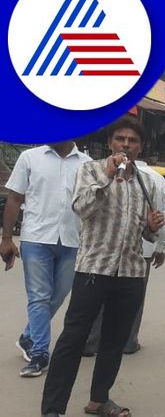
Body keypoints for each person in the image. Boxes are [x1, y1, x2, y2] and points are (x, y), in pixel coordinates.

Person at [41, 117, 165, 417]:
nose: (126, 144)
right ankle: (52, 408)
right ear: (111, 143)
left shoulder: (147, 182)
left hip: (131, 273)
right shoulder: (90, 170)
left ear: (140, 146)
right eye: (121, 139)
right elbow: (82, 208)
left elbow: (146, 232)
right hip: (93, 270)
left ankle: (99, 399)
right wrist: (107, 177)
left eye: (132, 140)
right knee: (72, 339)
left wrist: (151, 228)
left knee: (114, 340)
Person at [0, 142, 91, 377]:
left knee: (58, 296)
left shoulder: (86, 164)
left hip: (72, 240)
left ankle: (28, 336)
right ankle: (40, 353)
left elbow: (94, 206)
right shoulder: (30, 158)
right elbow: (14, 198)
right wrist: (7, 238)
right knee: (39, 297)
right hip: (36, 238)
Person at [83, 159, 165, 356]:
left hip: (110, 248)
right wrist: (161, 247)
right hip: (142, 252)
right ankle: (129, 341)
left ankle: (91, 342)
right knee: (133, 300)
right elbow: (164, 215)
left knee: (102, 297)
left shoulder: (110, 173)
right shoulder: (157, 179)